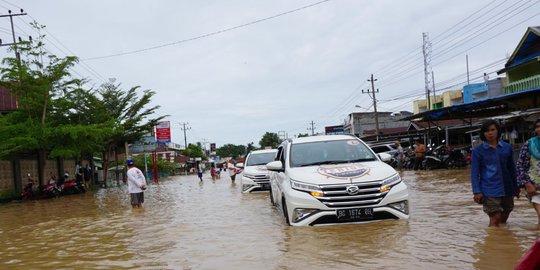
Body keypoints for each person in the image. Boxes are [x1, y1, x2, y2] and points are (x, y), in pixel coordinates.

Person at [470, 119, 519, 227]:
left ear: (498, 131)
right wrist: (476, 191)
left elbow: (512, 168)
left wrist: (516, 187)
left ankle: (501, 240)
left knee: (504, 216)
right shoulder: (477, 151)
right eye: (487, 131)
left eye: (492, 130)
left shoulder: (507, 148)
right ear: (483, 134)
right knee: (495, 217)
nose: (490, 133)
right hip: (489, 189)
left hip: (507, 187)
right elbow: (474, 173)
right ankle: (492, 242)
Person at [516, 119, 540, 230]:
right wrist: (527, 183)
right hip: (535, 187)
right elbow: (520, 166)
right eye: (537, 126)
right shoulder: (529, 144)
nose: (539, 129)